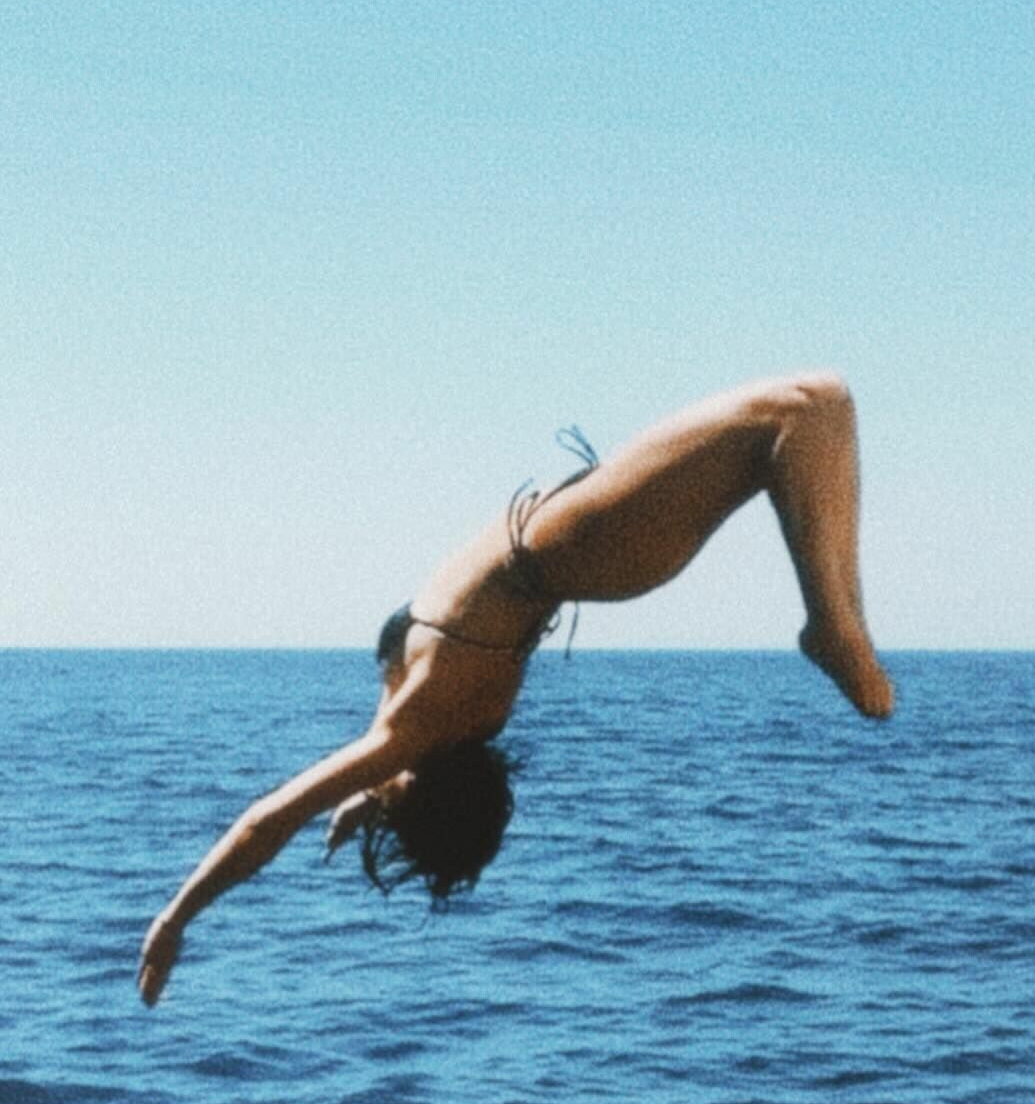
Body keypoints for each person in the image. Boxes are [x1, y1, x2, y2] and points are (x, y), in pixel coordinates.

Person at [137, 372, 895, 1005]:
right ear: (417, 787)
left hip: (583, 534)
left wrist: (368, 796)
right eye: (390, 793)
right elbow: (265, 824)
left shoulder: (430, 724)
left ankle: (839, 624)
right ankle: (833, 625)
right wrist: (177, 918)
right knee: (806, 411)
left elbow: (385, 752)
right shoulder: (417, 726)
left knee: (816, 412)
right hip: (589, 542)